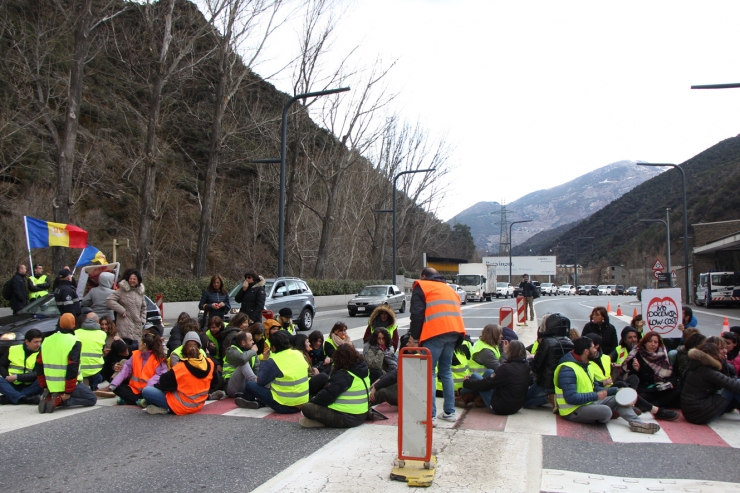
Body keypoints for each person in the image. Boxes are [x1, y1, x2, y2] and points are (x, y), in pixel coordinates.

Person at [555, 336, 675, 434]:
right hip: (572, 410)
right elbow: (571, 398)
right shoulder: (568, 369)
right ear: (586, 352)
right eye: (593, 347)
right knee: (606, 411)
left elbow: (594, 386)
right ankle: (609, 413)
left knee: (619, 397)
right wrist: (598, 395)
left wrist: (613, 391)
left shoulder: (586, 364)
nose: (596, 349)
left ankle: (637, 423)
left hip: (588, 402)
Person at [409, 267, 466, 425]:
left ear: (423, 276)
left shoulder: (422, 285)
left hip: (435, 333)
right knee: (446, 371)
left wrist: (414, 337)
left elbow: (417, 313)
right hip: (455, 332)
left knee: (429, 373)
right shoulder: (448, 288)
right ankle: (449, 412)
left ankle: (430, 415)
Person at [141, 332, 217, 415]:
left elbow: (163, 384)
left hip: (179, 406)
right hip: (198, 404)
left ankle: (165, 408)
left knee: (147, 391)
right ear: (199, 348)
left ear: (183, 349)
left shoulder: (181, 367)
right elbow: (215, 383)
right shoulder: (210, 363)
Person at [235, 331, 310, 414]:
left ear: (273, 347)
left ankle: (248, 400)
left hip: (283, 406)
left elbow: (260, 382)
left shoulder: (274, 360)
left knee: (250, 385)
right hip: (303, 404)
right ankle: (257, 401)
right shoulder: (298, 353)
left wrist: (264, 360)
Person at [36, 313, 97, 412]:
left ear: (59, 324)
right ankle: (59, 400)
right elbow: (72, 368)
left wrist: (44, 386)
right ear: (73, 324)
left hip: (50, 384)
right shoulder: (74, 341)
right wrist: (68, 392)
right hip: (67, 384)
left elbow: (38, 365)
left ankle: (50, 397)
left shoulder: (47, 340)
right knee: (91, 399)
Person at [300, 344, 370, 428]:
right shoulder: (362, 369)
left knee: (307, 408)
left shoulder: (343, 375)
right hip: (363, 413)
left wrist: (312, 401)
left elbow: (325, 397)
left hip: (348, 417)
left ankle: (321, 422)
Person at [461, 341, 531, 415]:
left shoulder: (506, 368)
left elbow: (484, 384)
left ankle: (461, 393)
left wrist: (466, 382)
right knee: (489, 372)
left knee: (475, 376)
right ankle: (472, 395)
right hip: (516, 406)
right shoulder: (526, 365)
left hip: (500, 407)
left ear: (511, 351)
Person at [681, 341, 740, 424]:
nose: (723, 352)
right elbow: (733, 385)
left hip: (693, 412)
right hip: (698, 413)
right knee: (735, 385)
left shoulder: (698, 366)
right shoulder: (707, 371)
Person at [102, 330, 167, 406]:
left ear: (144, 345)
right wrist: (114, 384)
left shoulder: (158, 358)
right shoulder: (135, 355)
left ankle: (137, 400)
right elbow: (125, 370)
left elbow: (159, 376)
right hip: (134, 389)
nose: (138, 343)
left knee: (153, 391)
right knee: (116, 385)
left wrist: (147, 389)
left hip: (149, 389)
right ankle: (142, 400)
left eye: (140, 342)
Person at [524, 313, 574, 410]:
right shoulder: (569, 342)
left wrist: (530, 361)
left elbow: (537, 366)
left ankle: (549, 397)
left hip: (545, 383)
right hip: (560, 383)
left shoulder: (547, 342)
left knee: (525, 401)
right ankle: (554, 396)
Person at [621, 331, 680, 408]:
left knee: (678, 390)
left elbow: (671, 374)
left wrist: (670, 383)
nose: (653, 344)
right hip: (646, 388)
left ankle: (654, 405)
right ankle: (655, 405)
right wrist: (636, 369)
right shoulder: (637, 355)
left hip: (660, 387)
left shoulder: (663, 355)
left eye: (656, 342)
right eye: (650, 341)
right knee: (642, 396)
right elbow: (631, 378)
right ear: (644, 343)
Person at [0, 329, 43, 404]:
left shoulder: (43, 353)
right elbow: (1, 365)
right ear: (27, 342)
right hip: (13, 384)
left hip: (31, 386)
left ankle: (12, 397)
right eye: (36, 342)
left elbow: (37, 374)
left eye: (40, 341)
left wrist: (17, 377)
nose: (38, 344)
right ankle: (24, 399)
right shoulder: (13, 349)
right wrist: (6, 376)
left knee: (43, 378)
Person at [106, 268, 147, 348]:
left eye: (134, 279)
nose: (132, 280)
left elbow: (144, 307)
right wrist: (121, 310)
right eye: (130, 278)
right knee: (125, 349)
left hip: (137, 326)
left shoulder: (140, 292)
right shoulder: (122, 290)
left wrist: (143, 319)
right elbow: (109, 300)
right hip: (124, 325)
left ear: (138, 280)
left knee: (135, 349)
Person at [74, 312, 106, 390]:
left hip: (79, 369)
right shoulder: (102, 334)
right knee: (99, 377)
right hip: (96, 369)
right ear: (97, 322)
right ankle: (94, 386)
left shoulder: (76, 332)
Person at [224, 331, 260, 397]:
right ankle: (257, 386)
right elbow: (242, 359)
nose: (253, 342)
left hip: (245, 385)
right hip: (231, 387)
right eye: (250, 340)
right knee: (244, 364)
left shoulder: (251, 352)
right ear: (243, 343)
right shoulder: (231, 350)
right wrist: (253, 351)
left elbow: (256, 369)